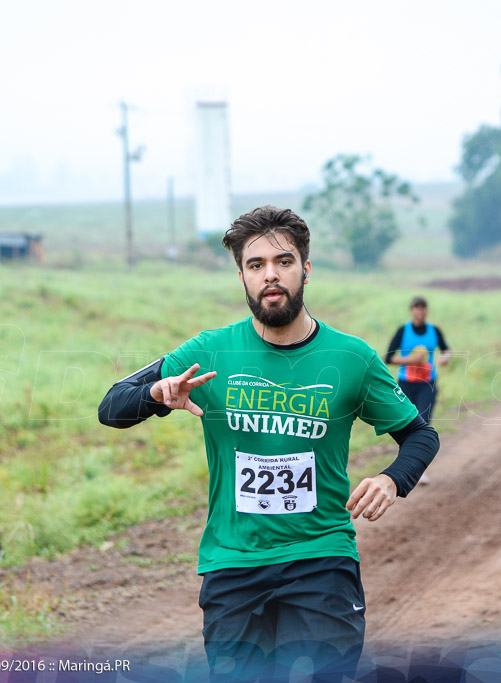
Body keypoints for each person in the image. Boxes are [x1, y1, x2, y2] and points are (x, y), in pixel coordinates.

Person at [97, 206, 439, 681]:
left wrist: (390, 480)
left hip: (321, 558)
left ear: (306, 269)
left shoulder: (351, 357)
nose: (270, 275)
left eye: (283, 261)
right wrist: (157, 394)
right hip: (233, 564)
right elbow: (111, 406)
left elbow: (420, 434)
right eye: (256, 265)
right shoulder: (208, 351)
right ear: (241, 276)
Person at [385, 296, 452, 424]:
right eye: (417, 308)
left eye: (423, 308)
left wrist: (445, 358)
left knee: (423, 421)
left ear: (427, 310)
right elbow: (389, 358)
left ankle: (423, 444)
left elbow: (446, 350)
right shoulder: (403, 330)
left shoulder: (434, 330)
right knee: (406, 422)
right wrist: (412, 360)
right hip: (406, 383)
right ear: (411, 310)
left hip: (427, 383)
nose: (420, 311)